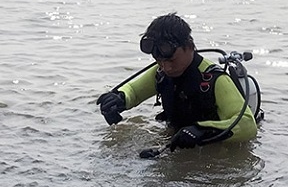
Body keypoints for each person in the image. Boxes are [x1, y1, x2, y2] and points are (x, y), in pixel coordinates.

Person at [96, 13, 258, 150]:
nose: (166, 67)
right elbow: (134, 91)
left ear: (189, 47)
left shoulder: (216, 80)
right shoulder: (161, 72)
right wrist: (119, 99)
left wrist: (202, 131)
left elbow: (248, 125)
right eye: (159, 61)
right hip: (177, 139)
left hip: (211, 144)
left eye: (171, 60)